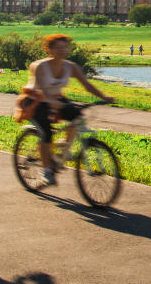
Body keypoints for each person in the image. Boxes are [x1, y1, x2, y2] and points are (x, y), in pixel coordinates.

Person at [26, 34, 114, 186]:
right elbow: (41, 89)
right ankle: (46, 171)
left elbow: (87, 85)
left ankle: (62, 146)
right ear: (49, 50)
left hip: (57, 99)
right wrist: (52, 102)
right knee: (45, 133)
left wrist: (104, 97)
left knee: (77, 116)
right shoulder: (40, 66)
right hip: (35, 101)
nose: (62, 50)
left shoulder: (70, 67)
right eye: (58, 47)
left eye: (64, 47)